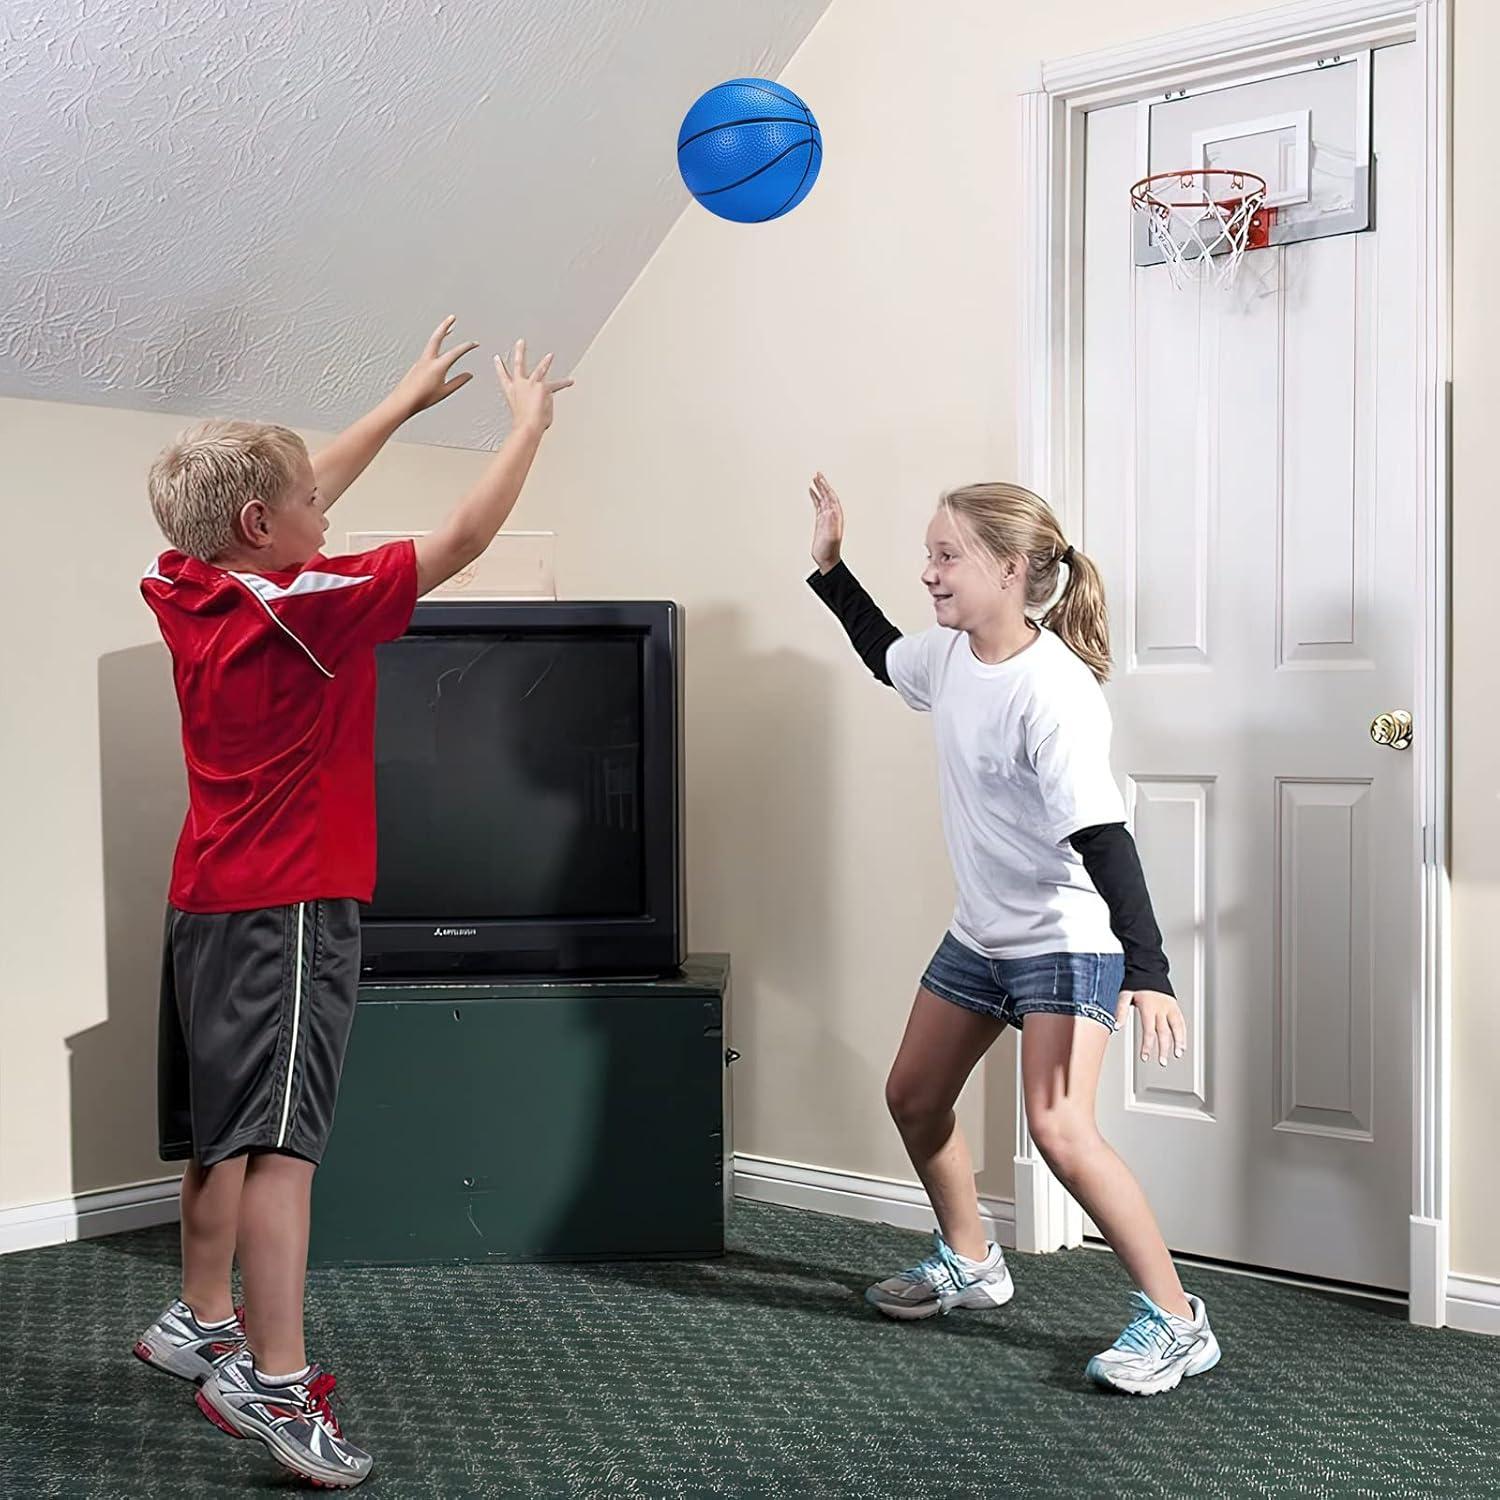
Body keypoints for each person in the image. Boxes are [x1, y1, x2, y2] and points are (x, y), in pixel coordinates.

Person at [132, 320, 572, 1484]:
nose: (328, 514)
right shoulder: (304, 608)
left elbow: (288, 495)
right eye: (305, 507)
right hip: (289, 911)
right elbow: (465, 538)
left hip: (207, 898)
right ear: (262, 533)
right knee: (282, 1149)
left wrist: (399, 401)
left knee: (222, 1132)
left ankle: (199, 1318)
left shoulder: (191, 579)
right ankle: (276, 1386)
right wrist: (527, 424)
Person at [804, 473, 1220, 1396]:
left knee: (1061, 1130)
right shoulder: (952, 656)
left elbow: (1105, 839)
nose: (929, 573)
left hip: (1067, 939)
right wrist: (832, 570)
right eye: (929, 555)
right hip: (984, 934)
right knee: (913, 1095)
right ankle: (972, 1262)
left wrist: (1147, 972)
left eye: (946, 556)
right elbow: (884, 656)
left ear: (1012, 568)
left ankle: (1180, 1323)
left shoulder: (1055, 694)